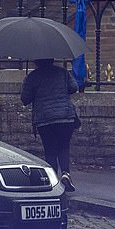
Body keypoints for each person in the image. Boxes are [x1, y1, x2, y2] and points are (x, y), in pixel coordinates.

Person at [21, 58, 80, 192]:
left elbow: (25, 99)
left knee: (50, 149)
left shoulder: (33, 77)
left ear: (36, 61)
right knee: (64, 146)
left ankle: (53, 180)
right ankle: (66, 173)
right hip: (65, 116)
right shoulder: (62, 73)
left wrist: (25, 84)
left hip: (44, 119)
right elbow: (74, 87)